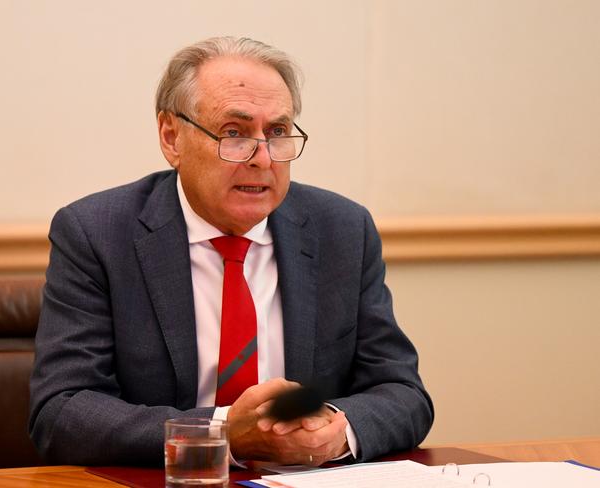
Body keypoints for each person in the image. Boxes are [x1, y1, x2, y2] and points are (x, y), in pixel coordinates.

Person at [29, 36, 433, 467]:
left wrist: (336, 429)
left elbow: (403, 392)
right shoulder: (97, 233)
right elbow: (62, 411)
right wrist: (221, 433)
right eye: (234, 133)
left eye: (277, 133)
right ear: (171, 137)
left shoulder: (343, 230)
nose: (262, 158)